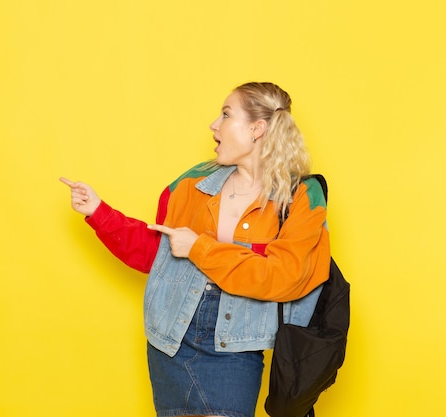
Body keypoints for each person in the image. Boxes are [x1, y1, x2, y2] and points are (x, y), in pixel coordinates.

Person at [60, 82, 330, 417]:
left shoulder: (301, 197)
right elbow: (155, 254)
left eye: (226, 115)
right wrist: (99, 212)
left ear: (256, 129)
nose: (213, 125)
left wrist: (199, 247)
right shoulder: (191, 184)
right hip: (169, 343)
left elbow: (282, 277)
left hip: (234, 353)